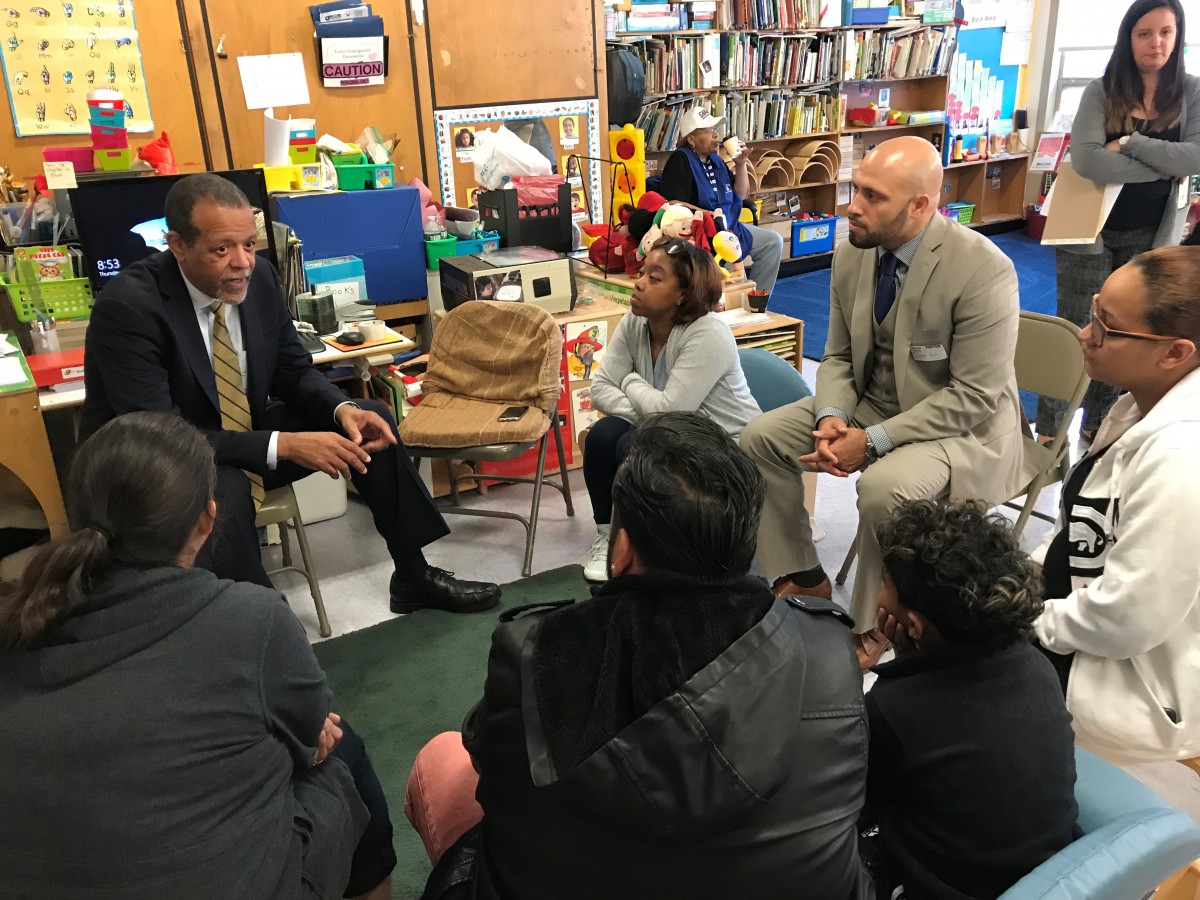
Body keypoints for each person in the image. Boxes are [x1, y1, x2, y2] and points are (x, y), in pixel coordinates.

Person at [404, 412, 873, 900]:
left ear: (621, 547)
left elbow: (493, 770)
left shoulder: (534, 651)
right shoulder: (830, 648)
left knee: (442, 759)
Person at [0, 412, 395, 899]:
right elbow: (315, 735)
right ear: (207, 519)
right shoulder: (253, 619)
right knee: (343, 751)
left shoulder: (20, 622)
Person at [80, 174, 499, 615]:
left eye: (248, 243)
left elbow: (293, 373)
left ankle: (413, 575)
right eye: (222, 249)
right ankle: (257, 618)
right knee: (222, 486)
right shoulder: (128, 308)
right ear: (177, 245)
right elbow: (161, 436)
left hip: (237, 434)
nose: (242, 262)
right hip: (157, 465)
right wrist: (286, 445)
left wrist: (340, 410)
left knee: (370, 420)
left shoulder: (259, 279)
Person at [740, 136, 1033, 669]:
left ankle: (872, 627)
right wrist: (831, 417)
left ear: (921, 205)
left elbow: (973, 396)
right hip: (873, 403)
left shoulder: (983, 269)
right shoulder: (853, 251)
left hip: (961, 429)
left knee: (883, 488)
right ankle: (803, 574)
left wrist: (870, 441)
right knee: (759, 439)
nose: (853, 206)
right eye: (855, 189)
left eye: (872, 196)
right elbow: (836, 358)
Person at [862, 499, 1078, 900]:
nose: (878, 595)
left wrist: (900, 669)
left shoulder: (895, 710)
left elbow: (858, 805)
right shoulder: (1036, 665)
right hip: (1043, 875)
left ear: (912, 625)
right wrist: (913, 657)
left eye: (883, 585)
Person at [1033, 245, 1200, 763]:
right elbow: (1079, 531)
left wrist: (1025, 621)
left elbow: (1127, 618)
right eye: (1093, 313)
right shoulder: (1137, 400)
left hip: (1126, 692)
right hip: (1079, 624)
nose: (1086, 335)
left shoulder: (1181, 456)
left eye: (1107, 326)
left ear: (1175, 352)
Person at [1036, 0, 1199, 446]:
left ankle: (1099, 428)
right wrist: (1166, 164)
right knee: (1076, 330)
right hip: (1087, 230)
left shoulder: (1191, 92)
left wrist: (1127, 142)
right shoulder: (1102, 90)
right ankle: (1050, 434)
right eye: (1145, 33)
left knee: (1128, 334)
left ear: (1178, 36)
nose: (1156, 43)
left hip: (1153, 235)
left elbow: (1196, 156)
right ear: (1129, 38)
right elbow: (1088, 161)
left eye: (1166, 32)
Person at [580, 238, 759, 581]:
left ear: (682, 294)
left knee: (630, 444)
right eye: (643, 271)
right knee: (604, 436)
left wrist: (630, 381)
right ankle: (610, 537)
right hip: (668, 430)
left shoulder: (708, 333)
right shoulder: (635, 321)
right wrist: (649, 406)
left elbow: (671, 411)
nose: (639, 282)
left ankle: (649, 551)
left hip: (723, 442)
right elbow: (600, 389)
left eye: (655, 277)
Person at [659, 105, 786, 294]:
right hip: (702, 232)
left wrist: (741, 164)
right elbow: (673, 205)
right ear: (691, 138)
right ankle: (740, 302)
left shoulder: (716, 160)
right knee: (733, 266)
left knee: (773, 242)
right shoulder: (680, 160)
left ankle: (758, 301)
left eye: (715, 130)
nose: (716, 135)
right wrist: (709, 215)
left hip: (730, 226)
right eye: (709, 131)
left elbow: (741, 195)